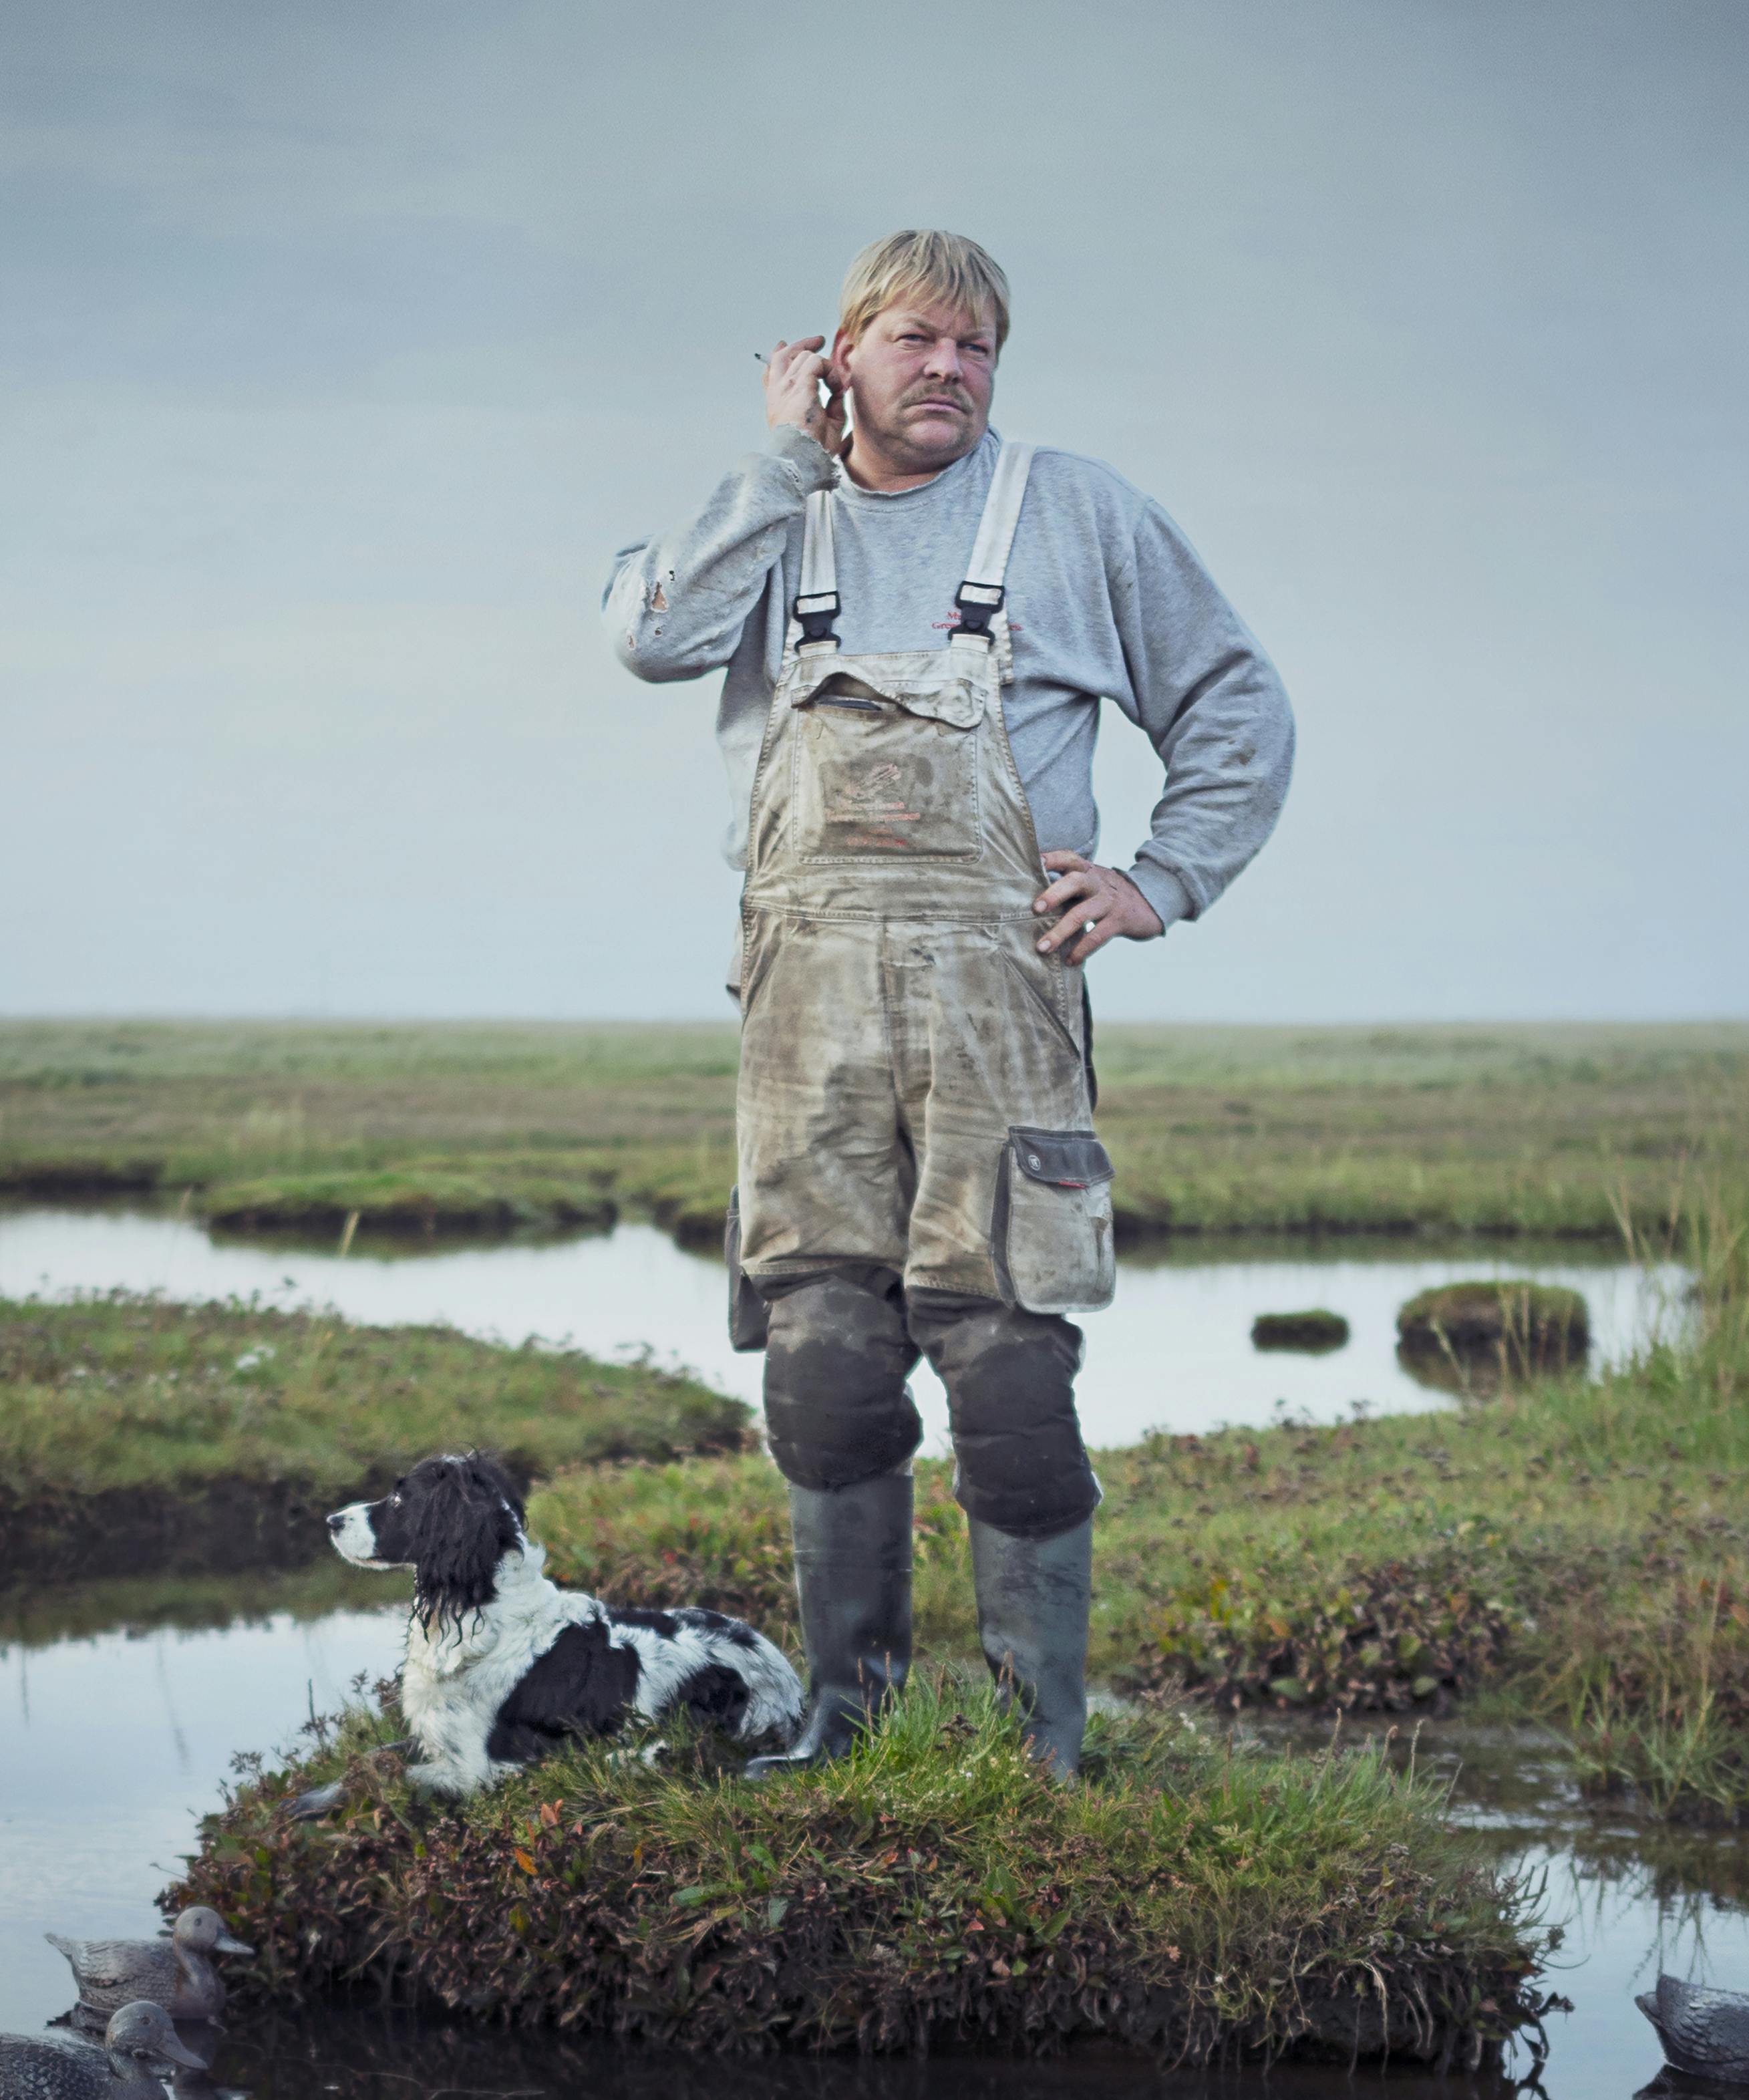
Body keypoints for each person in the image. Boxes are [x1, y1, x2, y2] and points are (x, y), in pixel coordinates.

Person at [601, 230, 1293, 1778]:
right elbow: (651, 638)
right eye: (916, 340)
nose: (953, 370)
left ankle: (1030, 1740)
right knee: (824, 1349)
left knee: (1008, 1357)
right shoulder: (770, 517)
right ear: (834, 355)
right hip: (805, 999)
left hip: (1005, 993)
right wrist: (777, 465)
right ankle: (850, 1722)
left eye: (978, 347)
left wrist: (1156, 878)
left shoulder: (1074, 510)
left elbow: (1233, 699)